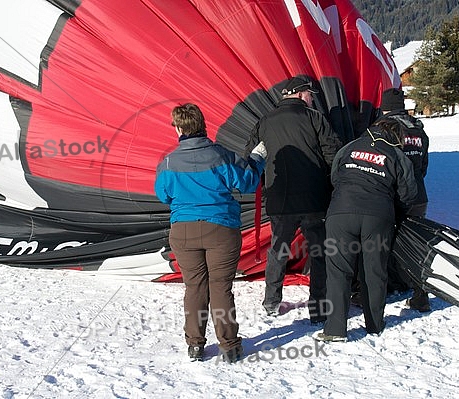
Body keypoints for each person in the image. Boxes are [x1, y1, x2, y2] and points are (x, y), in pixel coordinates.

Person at [155, 103, 266, 363]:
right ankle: (229, 345)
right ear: (203, 125)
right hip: (222, 229)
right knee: (221, 288)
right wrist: (258, 159)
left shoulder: (168, 162)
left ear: (179, 129)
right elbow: (249, 182)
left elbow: (163, 195)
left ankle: (195, 344)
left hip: (184, 230)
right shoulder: (222, 156)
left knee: (194, 287)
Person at [244, 75, 343, 323]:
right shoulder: (315, 118)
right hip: (314, 199)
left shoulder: (265, 121)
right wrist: (333, 186)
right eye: (310, 95)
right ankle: (319, 308)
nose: (312, 100)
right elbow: (334, 155)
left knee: (278, 250)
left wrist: (267, 182)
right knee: (319, 252)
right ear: (300, 94)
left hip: (280, 199)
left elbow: (250, 156)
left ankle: (271, 302)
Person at [314, 117, 417, 342]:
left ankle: (335, 329)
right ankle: (374, 323)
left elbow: (335, 176)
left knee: (338, 272)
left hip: (341, 213)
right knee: (374, 271)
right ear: (397, 136)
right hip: (377, 217)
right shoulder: (396, 155)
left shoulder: (350, 146)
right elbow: (409, 193)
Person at [379, 88, 431, 312]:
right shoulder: (418, 129)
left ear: (384, 107)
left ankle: (388, 286)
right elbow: (424, 165)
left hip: (393, 195)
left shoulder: (384, 129)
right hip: (418, 195)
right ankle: (420, 293)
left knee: (384, 242)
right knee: (416, 243)